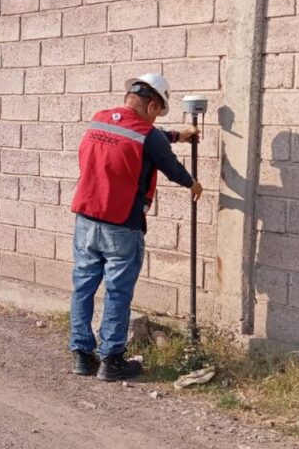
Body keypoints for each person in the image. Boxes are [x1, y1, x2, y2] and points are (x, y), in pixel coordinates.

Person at [68, 73, 203, 381]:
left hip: (86, 219)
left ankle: (81, 355)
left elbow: (141, 138)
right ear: (153, 105)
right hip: (121, 226)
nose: (156, 120)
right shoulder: (148, 136)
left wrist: (176, 135)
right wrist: (193, 184)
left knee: (83, 287)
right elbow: (167, 163)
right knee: (117, 291)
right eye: (158, 112)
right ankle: (112, 360)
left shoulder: (100, 120)